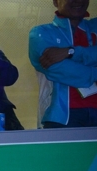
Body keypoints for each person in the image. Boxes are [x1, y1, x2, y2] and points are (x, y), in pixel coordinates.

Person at [29, 0, 97, 128]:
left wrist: (70, 52)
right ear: (56, 2)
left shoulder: (95, 27)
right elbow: (56, 69)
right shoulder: (41, 33)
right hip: (61, 117)